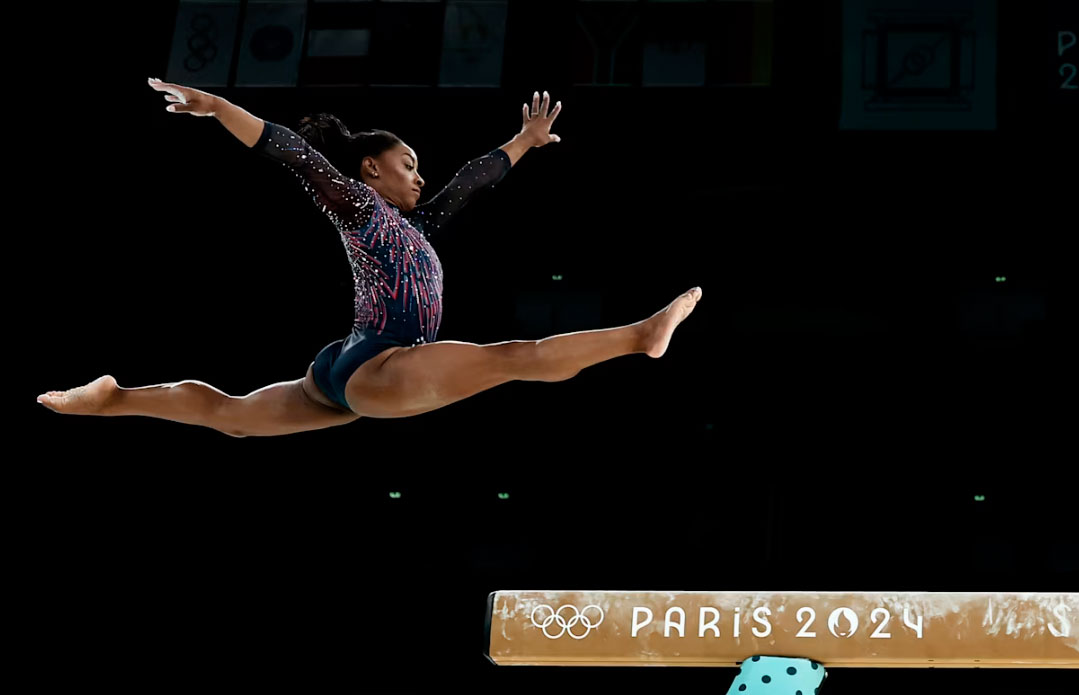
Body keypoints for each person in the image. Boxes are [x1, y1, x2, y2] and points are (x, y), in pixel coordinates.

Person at [35, 79, 702, 437]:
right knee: (515, 358)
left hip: (342, 366)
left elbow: (472, 178)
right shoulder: (357, 203)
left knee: (233, 419)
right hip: (384, 361)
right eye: (406, 165)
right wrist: (217, 107)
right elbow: (293, 153)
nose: (419, 177)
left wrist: (524, 141)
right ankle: (639, 337)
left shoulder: (422, 226)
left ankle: (114, 400)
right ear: (369, 170)